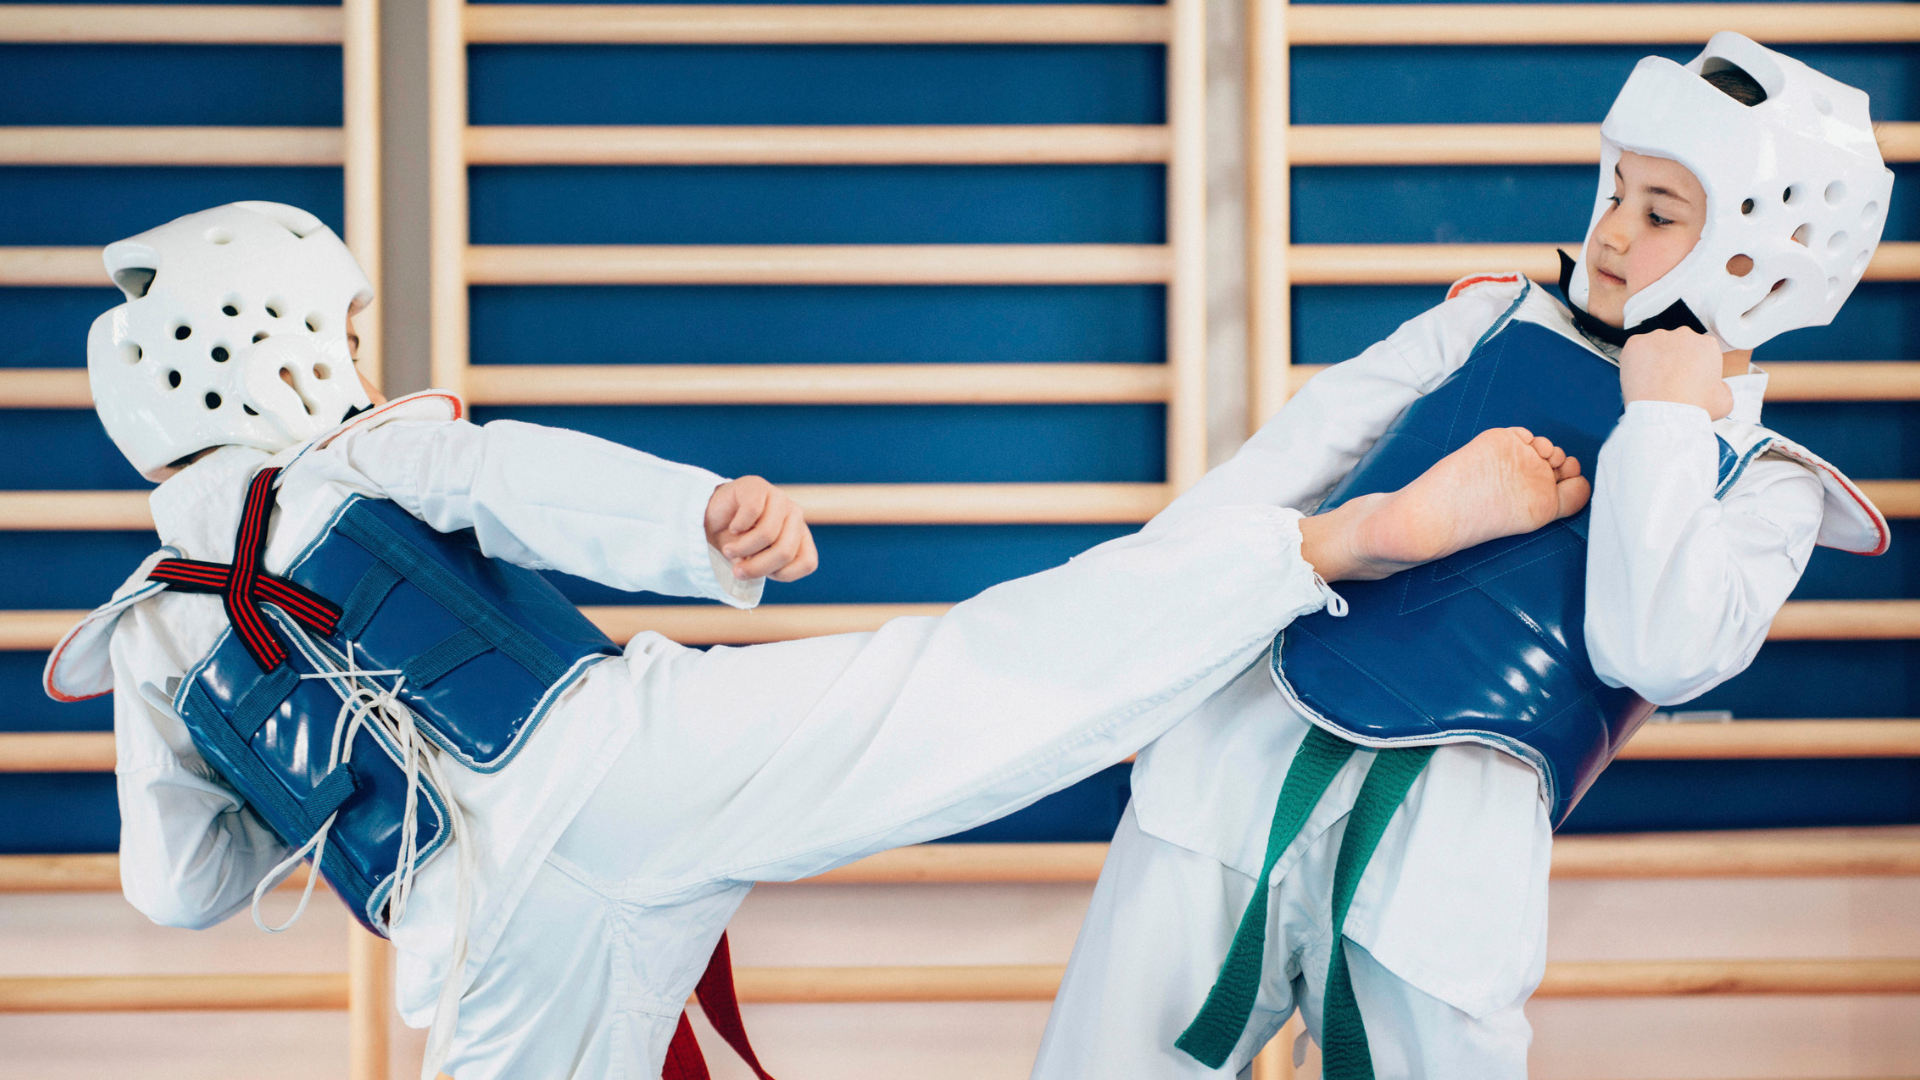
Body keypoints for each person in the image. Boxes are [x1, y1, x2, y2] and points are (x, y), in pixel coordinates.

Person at [44, 200, 1594, 1079]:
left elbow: (179, 890)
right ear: (283, 340)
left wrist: (288, 796)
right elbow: (515, 478)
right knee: (980, 683)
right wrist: (704, 522)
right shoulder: (364, 454)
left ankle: (1318, 545)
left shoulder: (149, 637)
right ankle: (1327, 544)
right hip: (621, 761)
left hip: (482, 938)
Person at [1033, 32, 1892, 1080]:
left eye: (1661, 213)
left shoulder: (1767, 485)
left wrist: (1666, 417)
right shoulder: (1485, 323)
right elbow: (1255, 491)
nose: (1613, 230)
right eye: (1616, 190)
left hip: (1445, 876)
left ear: (1766, 257)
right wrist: (1128, 678)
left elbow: (1655, 651)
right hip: (1231, 780)